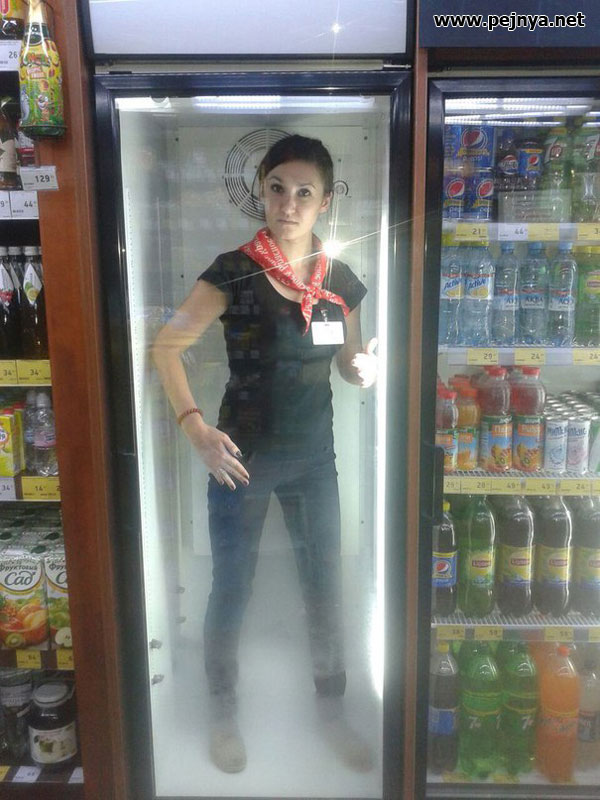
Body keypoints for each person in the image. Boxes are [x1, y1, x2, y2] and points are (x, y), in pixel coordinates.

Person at [152, 134, 377, 774]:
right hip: (240, 459)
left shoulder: (338, 279)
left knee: (323, 587)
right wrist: (195, 428)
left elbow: (347, 362)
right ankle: (222, 713)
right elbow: (166, 348)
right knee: (231, 588)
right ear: (261, 190)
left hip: (313, 460)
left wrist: (362, 370)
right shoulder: (235, 270)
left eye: (305, 192)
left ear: (325, 202)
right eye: (277, 188)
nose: (289, 204)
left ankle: (331, 713)